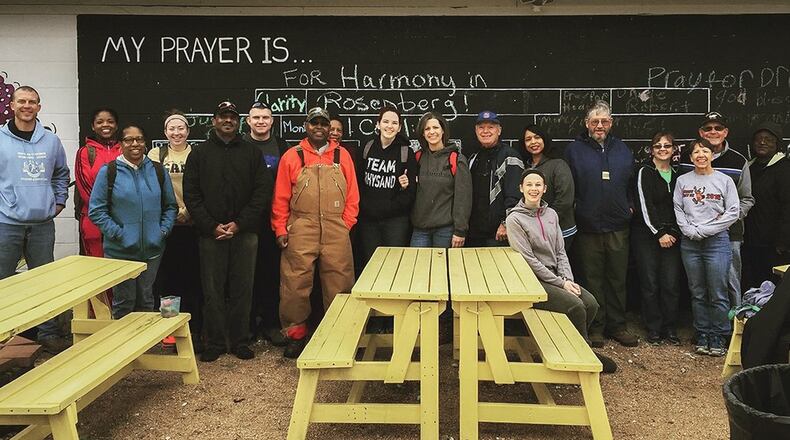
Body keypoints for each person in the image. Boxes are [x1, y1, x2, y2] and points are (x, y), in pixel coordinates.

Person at [183, 101, 272, 362]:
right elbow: (191, 194)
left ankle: (240, 340)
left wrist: (239, 223)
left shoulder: (252, 153)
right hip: (210, 234)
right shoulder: (199, 154)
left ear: (238, 121)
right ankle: (216, 342)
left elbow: (261, 193)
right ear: (214, 121)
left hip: (245, 233)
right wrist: (211, 225)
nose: (228, 121)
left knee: (243, 288)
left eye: (232, 117)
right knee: (212, 290)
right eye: (223, 117)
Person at [507, 169, 616, 374]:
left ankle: (572, 348)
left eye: (538, 185)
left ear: (545, 188)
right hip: (533, 281)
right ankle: (584, 353)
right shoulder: (515, 219)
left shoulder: (551, 214)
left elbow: (560, 251)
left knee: (591, 303)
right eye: (529, 185)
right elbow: (528, 260)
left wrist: (567, 279)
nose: (533, 189)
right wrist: (561, 284)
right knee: (576, 306)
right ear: (521, 188)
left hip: (557, 277)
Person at [271, 107, 359, 358]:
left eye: (323, 123)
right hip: (302, 226)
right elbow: (280, 197)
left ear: (329, 128)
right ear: (306, 126)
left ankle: (338, 336)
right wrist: (281, 228)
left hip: (335, 226)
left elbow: (352, 195)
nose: (319, 127)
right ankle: (296, 335)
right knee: (295, 283)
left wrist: (346, 223)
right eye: (314, 123)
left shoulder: (342, 155)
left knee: (340, 281)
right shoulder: (292, 156)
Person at [0, 85, 70, 353]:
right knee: (3, 281)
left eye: (32, 102)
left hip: (42, 224)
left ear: (39, 107)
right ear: (12, 105)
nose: (27, 106)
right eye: (22, 101)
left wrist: (59, 201)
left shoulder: (51, 141)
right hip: (6, 223)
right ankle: (5, 335)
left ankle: (48, 333)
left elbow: (61, 174)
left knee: (44, 281)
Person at [565, 100, 637, 347]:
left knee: (617, 278)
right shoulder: (574, 150)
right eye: (594, 121)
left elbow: (631, 182)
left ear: (611, 123)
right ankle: (595, 326)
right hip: (587, 226)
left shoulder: (622, 149)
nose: (599, 126)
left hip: (618, 224)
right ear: (586, 123)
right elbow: (569, 185)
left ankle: (618, 326)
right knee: (591, 278)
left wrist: (629, 205)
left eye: (604, 121)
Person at [88, 124, 178, 319]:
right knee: (124, 302)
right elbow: (96, 211)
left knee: (146, 300)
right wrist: (119, 234)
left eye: (139, 139)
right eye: (129, 140)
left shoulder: (158, 171)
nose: (134, 144)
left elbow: (171, 206)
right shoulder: (109, 172)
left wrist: (162, 231)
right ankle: (122, 338)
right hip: (120, 252)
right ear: (121, 144)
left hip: (152, 251)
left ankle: (145, 338)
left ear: (145, 143)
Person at [679, 112, 754, 308]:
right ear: (701, 132)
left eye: (718, 128)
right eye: (708, 128)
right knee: (699, 284)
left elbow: (747, 198)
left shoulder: (738, 161)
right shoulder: (687, 159)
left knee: (730, 281)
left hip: (729, 234)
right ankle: (705, 322)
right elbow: (682, 195)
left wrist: (728, 217)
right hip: (694, 234)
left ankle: (732, 321)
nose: (713, 132)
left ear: (725, 132)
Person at [674, 138, 739, 356]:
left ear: (712, 155)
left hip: (716, 241)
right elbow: (678, 208)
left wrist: (705, 230)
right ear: (690, 157)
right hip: (690, 242)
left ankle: (719, 335)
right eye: (696, 152)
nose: (700, 155)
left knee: (718, 291)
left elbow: (733, 211)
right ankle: (702, 332)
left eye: (705, 151)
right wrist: (689, 230)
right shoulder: (683, 181)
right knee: (697, 291)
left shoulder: (724, 180)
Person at [148, 112, 204, 351]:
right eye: (172, 128)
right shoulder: (155, 154)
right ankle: (169, 330)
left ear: (188, 131)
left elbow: (202, 186)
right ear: (165, 132)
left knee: (193, 280)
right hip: (167, 225)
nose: (176, 132)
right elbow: (153, 187)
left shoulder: (197, 154)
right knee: (167, 281)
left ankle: (194, 330)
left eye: (181, 128)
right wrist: (172, 213)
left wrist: (188, 211)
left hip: (192, 224)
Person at [243, 101, 289, 346]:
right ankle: (248, 325)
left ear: (272, 121)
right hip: (246, 220)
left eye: (265, 117)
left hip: (274, 218)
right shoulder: (240, 145)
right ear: (248, 121)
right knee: (245, 274)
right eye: (256, 117)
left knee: (272, 274)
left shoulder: (282, 146)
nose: (261, 121)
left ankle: (271, 324)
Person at [632, 131, 682, 346]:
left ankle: (670, 327)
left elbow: (683, 206)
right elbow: (645, 205)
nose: (663, 149)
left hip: (673, 236)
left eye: (667, 146)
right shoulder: (644, 171)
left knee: (671, 283)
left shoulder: (679, 173)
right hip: (647, 235)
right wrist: (659, 233)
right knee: (650, 283)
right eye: (658, 146)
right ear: (651, 150)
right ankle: (654, 327)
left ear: (674, 149)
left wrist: (674, 233)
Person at [355, 106, 417, 266]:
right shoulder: (367, 148)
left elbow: (411, 192)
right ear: (378, 124)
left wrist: (389, 207)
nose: (390, 126)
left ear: (400, 127)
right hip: (368, 220)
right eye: (386, 121)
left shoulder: (406, 152)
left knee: (393, 264)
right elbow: (357, 183)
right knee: (371, 264)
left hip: (395, 221)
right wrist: (366, 207)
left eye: (394, 123)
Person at [410, 111, 472, 248]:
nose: (432, 132)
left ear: (443, 130)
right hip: (420, 230)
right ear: (423, 133)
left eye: (435, 127)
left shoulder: (456, 159)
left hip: (445, 230)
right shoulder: (417, 158)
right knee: (417, 262)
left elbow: (463, 198)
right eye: (427, 129)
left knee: (443, 263)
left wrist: (460, 230)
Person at [742, 121, 790, 289]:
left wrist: (783, 241)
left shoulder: (785, 169)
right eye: (758, 139)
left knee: (772, 288)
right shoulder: (748, 167)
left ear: (777, 144)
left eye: (768, 139)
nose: (762, 142)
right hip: (750, 242)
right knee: (752, 287)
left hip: (775, 246)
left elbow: (788, 207)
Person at [465, 111, 523, 247]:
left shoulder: (510, 156)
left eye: (491, 127)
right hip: (473, 232)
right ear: (476, 130)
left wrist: (506, 223)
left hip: (498, 234)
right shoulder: (473, 157)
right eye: (481, 127)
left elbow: (516, 194)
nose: (485, 131)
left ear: (499, 130)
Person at [519, 124, 576, 250]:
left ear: (544, 139)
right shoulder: (525, 167)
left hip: (560, 230)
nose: (533, 142)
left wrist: (545, 222)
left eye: (537, 137)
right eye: (528, 139)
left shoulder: (558, 165)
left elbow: (565, 200)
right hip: (535, 232)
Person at [74, 108, 121, 258]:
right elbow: (85, 187)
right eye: (100, 122)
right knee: (96, 265)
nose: (105, 125)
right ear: (93, 126)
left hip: (122, 219)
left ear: (116, 125)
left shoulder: (124, 150)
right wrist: (103, 212)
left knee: (122, 265)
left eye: (110, 121)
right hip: (93, 219)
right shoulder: (85, 152)